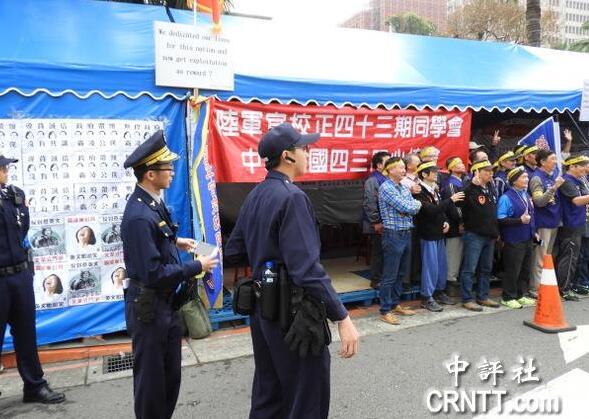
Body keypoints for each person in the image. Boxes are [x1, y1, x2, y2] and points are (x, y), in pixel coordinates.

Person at [225, 123, 359, 419]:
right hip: (293, 313)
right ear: (288, 155)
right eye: (305, 148)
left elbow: (234, 251)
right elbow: (307, 270)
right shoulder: (293, 198)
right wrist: (342, 316)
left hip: (264, 310)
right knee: (306, 397)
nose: (308, 153)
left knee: (269, 394)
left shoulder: (257, 194)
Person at [121, 130, 218, 419]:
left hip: (166, 306)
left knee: (168, 378)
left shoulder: (152, 202)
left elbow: (158, 236)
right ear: (150, 174)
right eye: (167, 168)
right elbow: (152, 272)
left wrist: (177, 241)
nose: (173, 172)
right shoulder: (138, 215)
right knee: (152, 384)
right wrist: (196, 266)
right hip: (150, 309)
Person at [0, 154, 65, 404]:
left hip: (20, 275)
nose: (7, 170)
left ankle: (35, 386)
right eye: (3, 166)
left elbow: (22, 230)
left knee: (26, 333)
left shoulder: (14, 196)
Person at [414, 161, 464, 312]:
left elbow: (440, 210)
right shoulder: (419, 191)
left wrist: (445, 221)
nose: (436, 174)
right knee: (430, 267)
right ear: (424, 174)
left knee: (441, 265)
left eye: (436, 171)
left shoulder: (434, 189)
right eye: (433, 171)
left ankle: (438, 292)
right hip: (428, 233)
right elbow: (430, 210)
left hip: (438, 233)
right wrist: (451, 200)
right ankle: (426, 297)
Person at [378, 156, 421, 325]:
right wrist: (408, 208)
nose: (404, 170)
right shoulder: (386, 188)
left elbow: (414, 206)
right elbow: (406, 206)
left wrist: (409, 208)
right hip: (393, 234)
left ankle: (395, 303)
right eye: (400, 168)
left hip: (405, 232)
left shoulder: (403, 186)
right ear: (390, 170)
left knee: (401, 272)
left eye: (404, 167)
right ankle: (385, 310)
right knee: (390, 274)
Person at [458, 160, 501, 312]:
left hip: (490, 234)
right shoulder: (469, 188)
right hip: (474, 234)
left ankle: (482, 296)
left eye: (491, 171)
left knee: (486, 268)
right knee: (469, 268)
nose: (491, 173)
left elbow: (492, 212)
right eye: (487, 171)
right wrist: (472, 186)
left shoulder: (491, 187)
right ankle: (467, 298)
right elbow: (460, 203)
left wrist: (496, 232)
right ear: (477, 172)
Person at [497, 167, 537, 309]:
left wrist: (534, 231)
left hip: (527, 237)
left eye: (527, 177)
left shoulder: (525, 194)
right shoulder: (506, 197)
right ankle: (508, 296)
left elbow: (530, 216)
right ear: (514, 181)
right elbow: (500, 219)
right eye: (523, 177)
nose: (527, 180)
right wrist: (519, 220)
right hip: (513, 239)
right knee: (513, 269)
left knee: (525, 269)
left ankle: (521, 294)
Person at [528, 149, 564, 298]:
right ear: (542, 162)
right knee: (540, 257)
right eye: (553, 159)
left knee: (548, 257)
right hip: (542, 224)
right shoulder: (537, 178)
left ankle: (544, 286)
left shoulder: (552, 175)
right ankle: (535, 289)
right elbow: (539, 202)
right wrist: (554, 187)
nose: (555, 162)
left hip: (554, 222)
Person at [554, 154, 589, 301]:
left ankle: (570, 285)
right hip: (570, 225)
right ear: (572, 166)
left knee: (575, 258)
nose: (585, 169)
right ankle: (564, 289)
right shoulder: (567, 181)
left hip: (579, 223)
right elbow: (576, 201)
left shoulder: (579, 180)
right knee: (568, 258)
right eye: (581, 165)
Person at [362, 151, 391, 289]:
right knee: (378, 252)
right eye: (388, 161)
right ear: (379, 165)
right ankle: (376, 280)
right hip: (377, 224)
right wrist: (376, 222)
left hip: (388, 223)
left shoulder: (387, 178)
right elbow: (370, 203)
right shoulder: (373, 180)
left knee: (386, 251)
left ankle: (384, 278)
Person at [441, 157, 466, 287]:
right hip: (454, 226)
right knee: (453, 255)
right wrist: (461, 221)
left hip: (460, 225)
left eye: (462, 162)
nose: (462, 165)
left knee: (458, 254)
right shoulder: (451, 183)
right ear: (451, 167)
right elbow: (453, 207)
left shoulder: (460, 182)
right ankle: (450, 281)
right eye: (458, 163)